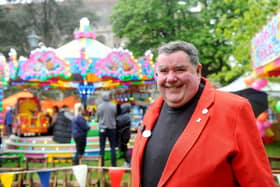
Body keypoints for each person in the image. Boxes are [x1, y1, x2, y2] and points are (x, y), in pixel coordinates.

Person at [131, 41, 274, 187]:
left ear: (198, 71)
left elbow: (258, 181)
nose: (171, 78)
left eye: (179, 70)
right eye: (163, 71)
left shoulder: (234, 109)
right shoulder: (153, 109)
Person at [96, 92, 117, 166]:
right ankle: (114, 164)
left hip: (102, 128)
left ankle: (101, 164)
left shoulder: (99, 107)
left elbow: (97, 117)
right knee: (113, 147)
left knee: (102, 147)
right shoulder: (113, 106)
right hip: (112, 128)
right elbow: (115, 115)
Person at [116, 103, 132, 167]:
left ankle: (128, 163)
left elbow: (118, 123)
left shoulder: (124, 116)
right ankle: (127, 162)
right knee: (124, 148)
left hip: (124, 135)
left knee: (125, 148)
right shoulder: (126, 115)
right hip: (125, 134)